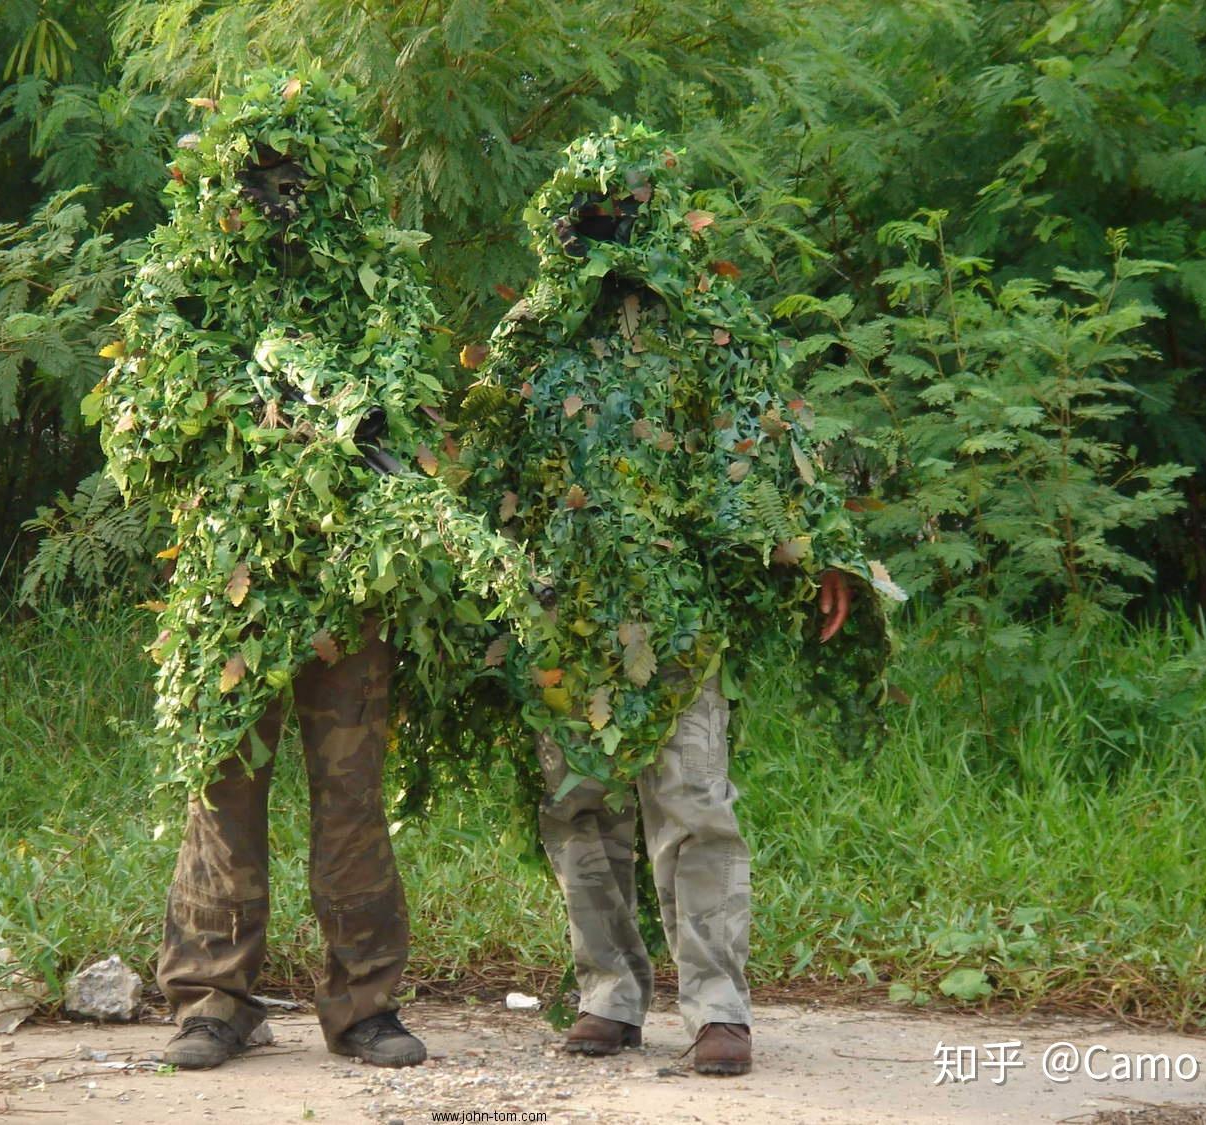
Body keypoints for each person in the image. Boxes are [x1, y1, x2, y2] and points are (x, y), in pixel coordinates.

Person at [93, 71, 534, 1071]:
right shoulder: (183, 282)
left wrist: (354, 424)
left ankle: (364, 1005)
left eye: (298, 183)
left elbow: (407, 407)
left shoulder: (373, 283)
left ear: (329, 188)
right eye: (260, 181)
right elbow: (157, 419)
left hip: (349, 582)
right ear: (227, 187)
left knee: (350, 798)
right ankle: (213, 999)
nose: (279, 202)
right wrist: (279, 417)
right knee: (223, 793)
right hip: (233, 582)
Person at [465, 122, 901, 1076]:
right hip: (560, 616)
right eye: (589, 216)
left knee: (694, 802)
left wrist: (822, 552)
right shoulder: (534, 334)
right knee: (579, 806)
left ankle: (719, 1008)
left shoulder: (710, 331)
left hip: (680, 615)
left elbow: (768, 446)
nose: (607, 234)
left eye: (623, 213)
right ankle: (610, 995)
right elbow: (486, 468)